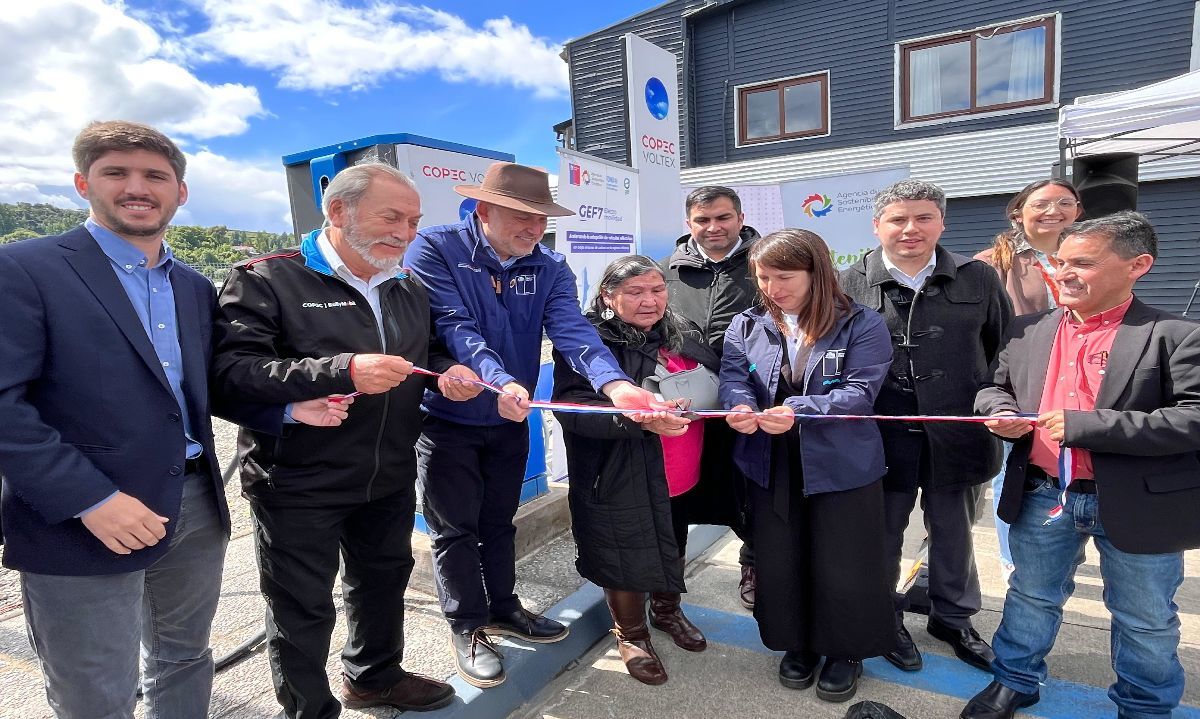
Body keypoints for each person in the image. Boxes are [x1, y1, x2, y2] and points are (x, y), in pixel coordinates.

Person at [0, 120, 342, 719]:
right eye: (116, 173)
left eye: (155, 176)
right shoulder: (25, 270)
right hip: (85, 518)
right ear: (83, 183)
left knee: (185, 659)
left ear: (180, 192)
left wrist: (287, 406)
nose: (138, 188)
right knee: (94, 691)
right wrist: (90, 499)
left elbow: (200, 388)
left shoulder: (190, 286)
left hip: (193, 503)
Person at [212, 163, 482, 718]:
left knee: (383, 582)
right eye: (392, 217)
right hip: (297, 478)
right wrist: (342, 370)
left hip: (387, 469)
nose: (406, 233)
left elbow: (425, 353)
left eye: (413, 221)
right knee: (301, 607)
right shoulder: (267, 279)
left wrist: (449, 372)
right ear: (338, 212)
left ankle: (374, 677)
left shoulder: (406, 285)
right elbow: (231, 374)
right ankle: (308, 710)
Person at [405, 162, 666, 688]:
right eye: (521, 218)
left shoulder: (549, 266)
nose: (533, 229)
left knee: (501, 520)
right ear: (482, 210)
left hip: (509, 417)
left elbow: (574, 333)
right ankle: (468, 625)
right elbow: (455, 327)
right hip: (448, 417)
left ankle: (503, 607)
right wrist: (500, 380)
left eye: (541, 220)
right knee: (455, 529)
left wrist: (617, 387)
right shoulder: (435, 249)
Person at [965, 211, 1200, 719]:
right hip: (1044, 491)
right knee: (1030, 596)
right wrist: (1002, 413)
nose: (1063, 273)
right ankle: (1015, 681)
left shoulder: (1175, 335)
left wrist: (1087, 427)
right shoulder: (1028, 331)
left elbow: (1193, 420)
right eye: (1060, 261)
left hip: (1138, 499)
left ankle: (1145, 707)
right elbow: (992, 388)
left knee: (1145, 619)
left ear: (1138, 265)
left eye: (1083, 263)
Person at [840, 179, 1012, 675]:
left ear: (942, 222)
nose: (910, 229)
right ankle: (883, 617)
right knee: (882, 532)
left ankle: (953, 618)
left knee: (954, 530)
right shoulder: (850, 282)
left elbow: (1000, 351)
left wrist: (994, 407)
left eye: (923, 217)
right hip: (880, 436)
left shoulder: (979, 279)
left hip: (958, 434)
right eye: (897, 219)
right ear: (877, 226)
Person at [719, 229, 895, 703]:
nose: (773, 288)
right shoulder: (748, 323)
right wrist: (737, 406)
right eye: (763, 277)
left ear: (818, 272)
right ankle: (796, 641)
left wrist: (798, 410)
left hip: (843, 464)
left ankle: (845, 650)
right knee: (781, 556)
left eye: (785, 276)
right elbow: (735, 376)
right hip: (770, 461)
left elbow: (860, 392)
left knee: (846, 562)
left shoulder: (862, 323)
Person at [553, 255, 716, 684]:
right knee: (621, 552)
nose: (650, 300)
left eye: (657, 289)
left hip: (679, 470)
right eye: (635, 292)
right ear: (608, 296)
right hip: (618, 470)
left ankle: (667, 612)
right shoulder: (588, 344)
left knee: (670, 538)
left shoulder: (680, 334)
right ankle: (631, 634)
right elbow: (572, 411)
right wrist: (636, 419)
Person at [975, 179, 1083, 581]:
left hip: (1083, 379)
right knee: (1016, 467)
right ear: (1018, 212)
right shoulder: (994, 262)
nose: (1053, 210)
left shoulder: (1092, 255)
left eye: (1064, 202)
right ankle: (1013, 556)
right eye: (1041, 204)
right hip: (1024, 382)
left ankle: (1066, 542)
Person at [660, 185, 760, 609]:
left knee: (753, 492)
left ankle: (755, 564)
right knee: (677, 496)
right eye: (702, 220)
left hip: (750, 402)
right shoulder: (664, 271)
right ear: (688, 224)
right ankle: (667, 585)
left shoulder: (764, 263)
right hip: (686, 407)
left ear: (740, 218)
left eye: (722, 218)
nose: (713, 227)